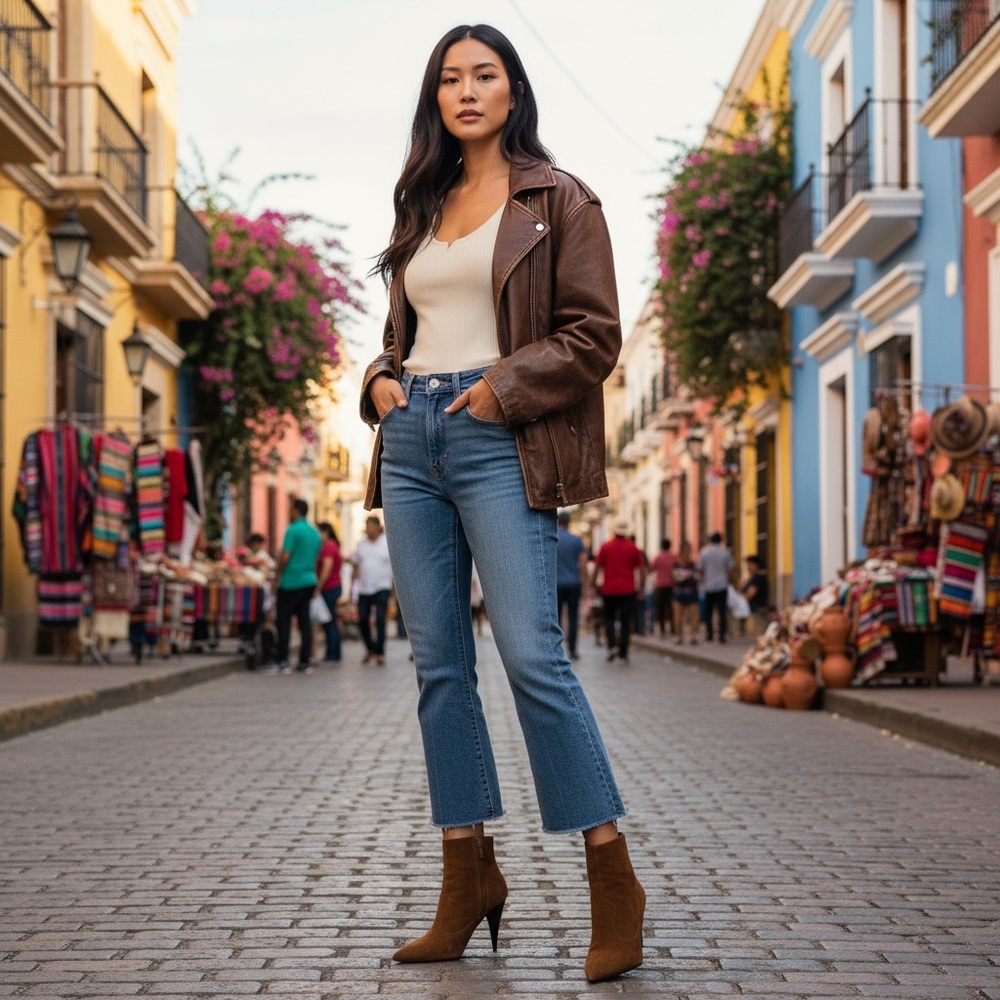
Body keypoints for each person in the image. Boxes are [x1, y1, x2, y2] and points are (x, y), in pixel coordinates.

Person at [359, 24, 644, 983]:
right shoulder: (424, 204)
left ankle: (613, 877)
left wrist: (498, 390)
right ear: (435, 98)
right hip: (410, 442)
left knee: (531, 653)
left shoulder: (558, 199)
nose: (466, 91)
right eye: (450, 78)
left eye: (484, 75)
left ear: (514, 91)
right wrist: (378, 383)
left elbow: (594, 335)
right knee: (441, 665)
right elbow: (403, 331)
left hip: (498, 434)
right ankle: (467, 875)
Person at [272, 498, 322, 674]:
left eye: (290, 509)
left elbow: (285, 556)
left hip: (291, 581)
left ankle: (283, 660)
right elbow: (316, 557)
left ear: (296, 510)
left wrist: (276, 577)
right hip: (309, 580)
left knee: (283, 621)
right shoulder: (314, 532)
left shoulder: (292, 530)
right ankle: (304, 661)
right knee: (304, 622)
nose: (288, 512)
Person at [592, 521, 646, 664]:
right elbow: (642, 569)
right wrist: (642, 588)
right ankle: (623, 653)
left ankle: (611, 647)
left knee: (609, 619)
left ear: (614, 532)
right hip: (628, 590)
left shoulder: (605, 547)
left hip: (609, 590)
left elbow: (597, 568)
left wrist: (592, 585)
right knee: (626, 621)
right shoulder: (632, 547)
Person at [351, 515, 393, 665]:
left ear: (377, 527)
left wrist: (395, 589)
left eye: (371, 526)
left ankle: (380, 652)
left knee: (380, 619)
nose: (368, 530)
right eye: (366, 527)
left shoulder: (386, 543)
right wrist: (352, 587)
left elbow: (395, 567)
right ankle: (370, 648)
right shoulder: (361, 545)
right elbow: (355, 565)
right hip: (364, 587)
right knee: (362, 619)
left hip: (382, 586)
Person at [555, 510, 587, 660]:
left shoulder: (553, 538)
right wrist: (585, 584)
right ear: (569, 522)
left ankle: (556, 651)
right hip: (573, 583)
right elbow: (583, 563)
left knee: (556, 619)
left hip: (555, 584)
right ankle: (573, 650)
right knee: (573, 617)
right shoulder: (576, 540)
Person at [698, 531, 734, 644]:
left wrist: (703, 580)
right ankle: (722, 635)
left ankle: (709, 634)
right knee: (722, 611)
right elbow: (730, 569)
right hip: (722, 585)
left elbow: (701, 569)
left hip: (709, 586)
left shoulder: (704, 552)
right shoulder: (725, 552)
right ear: (720, 540)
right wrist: (733, 582)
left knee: (709, 612)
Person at [316, 522, 343, 663]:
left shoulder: (328, 546)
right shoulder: (333, 545)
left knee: (330, 621)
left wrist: (318, 586)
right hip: (333, 586)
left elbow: (326, 568)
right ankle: (333, 652)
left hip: (329, 587)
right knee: (330, 620)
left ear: (325, 532)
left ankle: (333, 653)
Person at [672, 541, 700, 644]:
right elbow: (675, 578)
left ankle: (693, 636)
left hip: (692, 592)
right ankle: (679, 636)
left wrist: (686, 578)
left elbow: (697, 577)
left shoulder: (693, 565)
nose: (687, 554)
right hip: (679, 593)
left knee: (693, 615)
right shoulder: (676, 565)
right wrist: (688, 577)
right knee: (678, 617)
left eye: (688, 551)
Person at [650, 538, 677, 637]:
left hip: (660, 585)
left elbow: (652, 568)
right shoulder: (674, 557)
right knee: (671, 608)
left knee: (661, 608)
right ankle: (673, 628)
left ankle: (662, 630)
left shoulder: (657, 557)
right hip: (672, 585)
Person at [739, 553, 770, 634]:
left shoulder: (758, 578)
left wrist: (740, 598)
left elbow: (750, 594)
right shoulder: (751, 578)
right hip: (752, 603)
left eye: (749, 564)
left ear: (755, 565)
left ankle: (739, 630)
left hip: (756, 604)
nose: (748, 567)